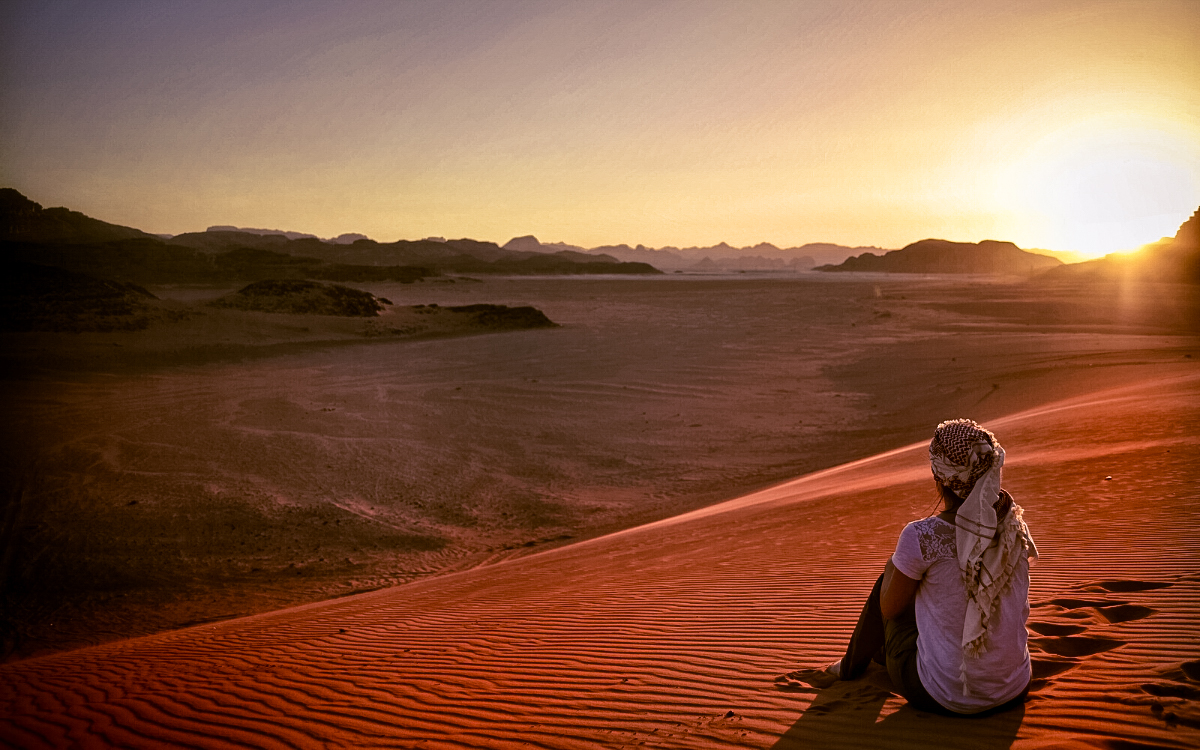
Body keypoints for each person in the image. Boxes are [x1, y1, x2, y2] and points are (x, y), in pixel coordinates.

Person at [822, 419, 1038, 715]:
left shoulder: (922, 535)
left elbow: (890, 610)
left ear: (939, 477)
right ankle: (875, 656)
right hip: (1014, 689)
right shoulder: (1014, 527)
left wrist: (893, 564)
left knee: (890, 579)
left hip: (943, 695)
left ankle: (850, 667)